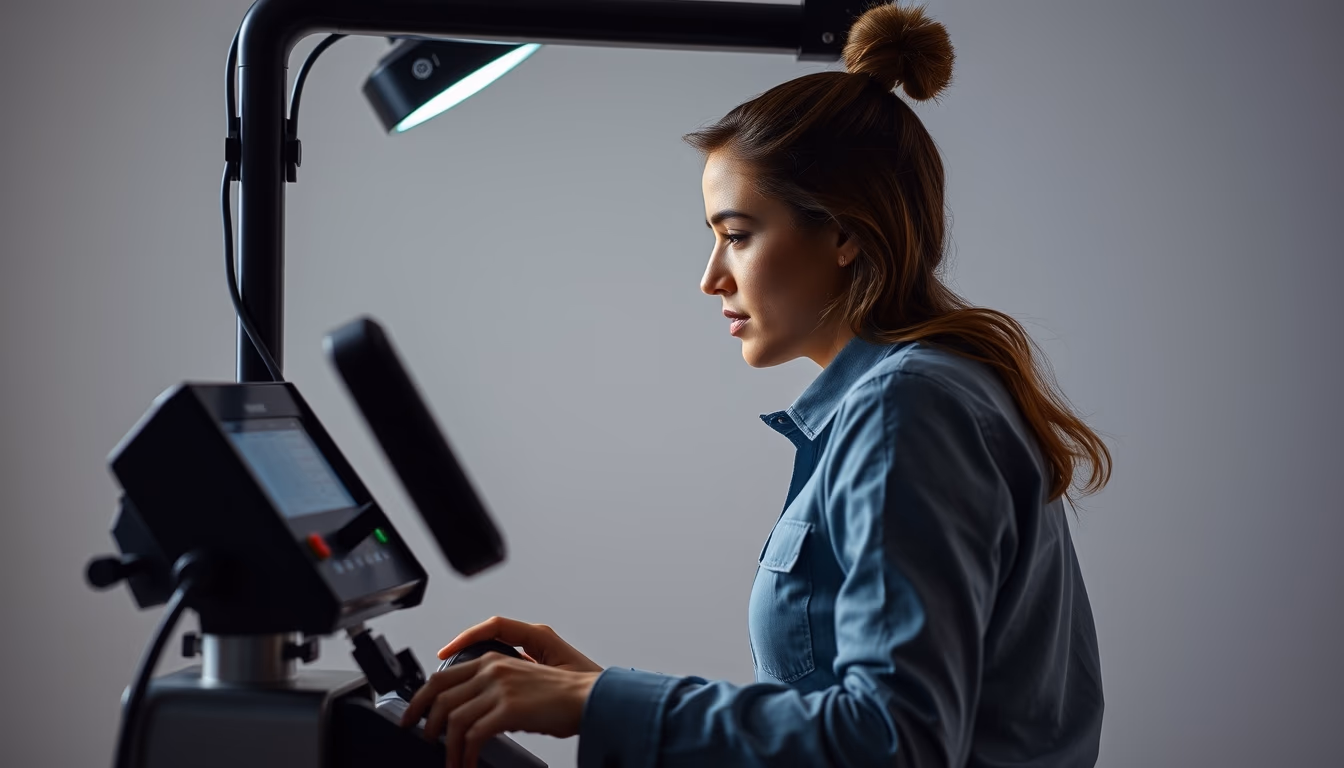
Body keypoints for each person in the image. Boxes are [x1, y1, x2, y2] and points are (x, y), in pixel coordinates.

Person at [401, 3, 1111, 766]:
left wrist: (595, 703)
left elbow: (894, 742)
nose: (711, 279)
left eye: (737, 235)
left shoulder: (909, 406)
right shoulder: (925, 395)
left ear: (844, 232)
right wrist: (596, 687)